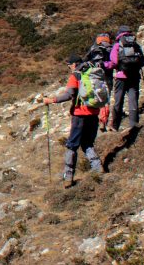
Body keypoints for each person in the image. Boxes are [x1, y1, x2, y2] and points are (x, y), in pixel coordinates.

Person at [42, 54, 103, 188]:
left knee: (72, 145)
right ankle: (98, 168)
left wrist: (51, 100)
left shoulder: (76, 75)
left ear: (74, 64)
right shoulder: (94, 71)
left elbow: (68, 95)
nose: (69, 67)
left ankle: (68, 177)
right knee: (87, 143)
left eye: (69, 64)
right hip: (94, 113)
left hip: (80, 115)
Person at [106, 25, 144, 131]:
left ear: (119, 33)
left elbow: (114, 62)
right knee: (133, 101)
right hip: (134, 77)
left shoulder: (117, 45)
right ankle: (134, 125)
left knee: (118, 101)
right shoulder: (135, 44)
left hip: (121, 77)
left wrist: (105, 65)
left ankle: (115, 126)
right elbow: (142, 61)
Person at [85, 32, 113, 131]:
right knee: (107, 98)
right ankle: (105, 120)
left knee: (97, 96)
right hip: (108, 75)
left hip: (96, 76)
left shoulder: (93, 48)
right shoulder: (110, 47)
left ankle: (97, 119)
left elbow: (86, 61)